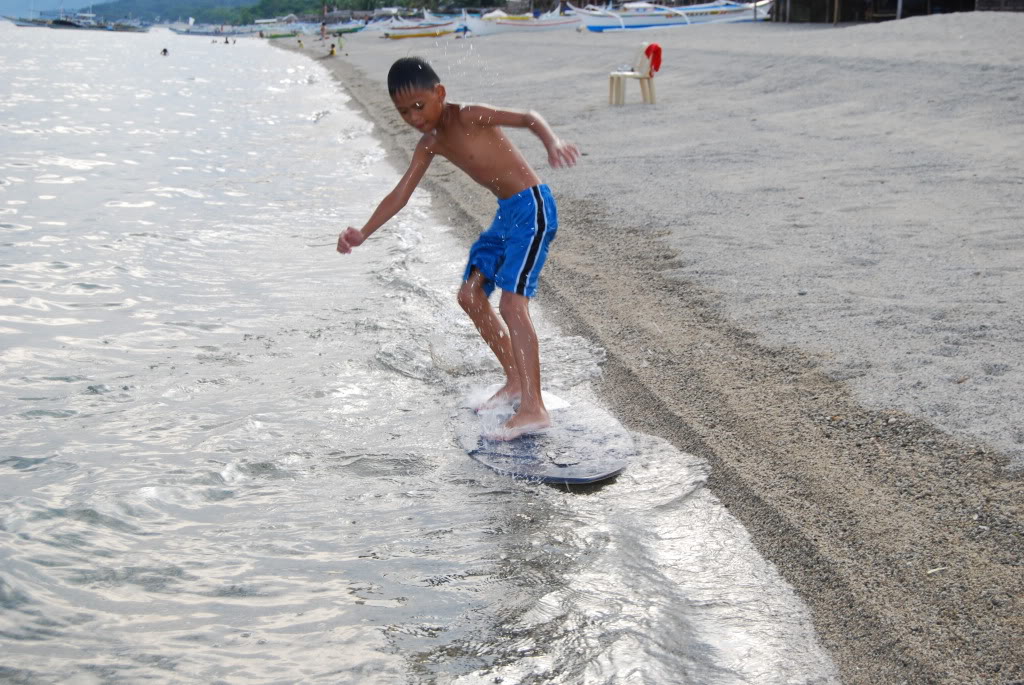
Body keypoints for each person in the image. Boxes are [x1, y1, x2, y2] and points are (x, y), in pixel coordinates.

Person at [336, 57, 579, 440]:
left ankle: (534, 408)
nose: (414, 117)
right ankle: (515, 381)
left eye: (419, 105)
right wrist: (363, 232)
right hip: (507, 215)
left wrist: (552, 141)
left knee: (512, 304)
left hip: (532, 208)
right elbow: (402, 193)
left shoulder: (469, 116)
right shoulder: (430, 143)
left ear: (440, 94)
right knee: (469, 295)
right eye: (403, 112)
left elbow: (529, 117)